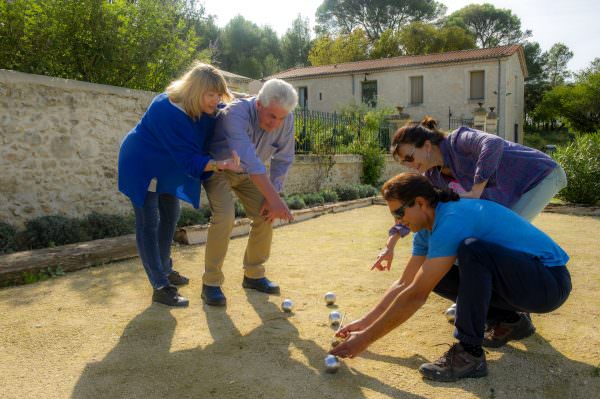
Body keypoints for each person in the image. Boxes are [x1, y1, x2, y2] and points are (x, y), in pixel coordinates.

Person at [331, 173, 571, 382]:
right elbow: (406, 283)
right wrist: (364, 323)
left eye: (400, 212)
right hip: (524, 286)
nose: (398, 221)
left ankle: (469, 353)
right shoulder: (426, 230)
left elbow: (416, 295)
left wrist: (364, 341)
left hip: (548, 284)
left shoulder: (451, 219)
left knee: (473, 250)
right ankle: (510, 321)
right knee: (439, 275)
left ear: (421, 202)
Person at [372, 117, 567, 329]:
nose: (409, 165)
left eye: (410, 157)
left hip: (538, 177)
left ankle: (512, 307)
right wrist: (390, 245)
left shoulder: (458, 140)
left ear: (427, 146)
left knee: (497, 242)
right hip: (507, 193)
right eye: (404, 162)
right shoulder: (433, 176)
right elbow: (412, 209)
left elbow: (493, 144)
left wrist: (476, 189)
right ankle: (493, 308)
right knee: (463, 251)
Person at [118, 62, 242, 307]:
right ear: (195, 91)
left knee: (171, 214)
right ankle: (160, 285)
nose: (215, 100)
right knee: (149, 222)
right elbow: (188, 159)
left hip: (166, 167)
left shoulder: (205, 109)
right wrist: (221, 164)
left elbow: (231, 110)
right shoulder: (165, 108)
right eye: (210, 94)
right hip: (142, 164)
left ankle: (165, 268)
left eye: (218, 95)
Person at [200, 78, 297, 306]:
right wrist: (276, 200)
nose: (276, 123)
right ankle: (211, 284)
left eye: (281, 118)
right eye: (272, 116)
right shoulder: (235, 113)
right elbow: (250, 160)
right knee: (225, 217)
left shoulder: (286, 119)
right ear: (259, 105)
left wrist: (274, 195)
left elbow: (283, 159)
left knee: (265, 215)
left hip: (250, 175)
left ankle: (253, 275)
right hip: (220, 168)